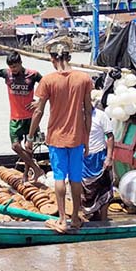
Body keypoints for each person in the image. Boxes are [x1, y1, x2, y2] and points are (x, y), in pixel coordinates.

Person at [26, 38, 93, 232]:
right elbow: (88, 111)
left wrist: (30, 138)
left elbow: (38, 111)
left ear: (53, 58)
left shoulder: (48, 80)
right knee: (76, 179)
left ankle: (62, 219)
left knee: (59, 177)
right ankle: (75, 219)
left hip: (56, 137)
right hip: (78, 137)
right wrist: (87, 139)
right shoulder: (84, 79)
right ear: (69, 56)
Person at [0, 49, 44, 182]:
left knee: (28, 148)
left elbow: (48, 85)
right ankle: (37, 169)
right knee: (16, 146)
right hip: (15, 118)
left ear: (21, 63)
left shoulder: (32, 75)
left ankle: (26, 174)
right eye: (11, 67)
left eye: (15, 66)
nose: (13, 69)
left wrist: (40, 101)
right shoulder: (7, 74)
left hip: (30, 118)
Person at [82, 106, 114, 221]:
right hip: (83, 159)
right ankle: (92, 215)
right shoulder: (76, 115)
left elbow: (110, 136)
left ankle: (104, 219)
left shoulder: (101, 115)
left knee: (104, 190)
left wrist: (109, 157)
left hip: (100, 157)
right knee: (85, 192)